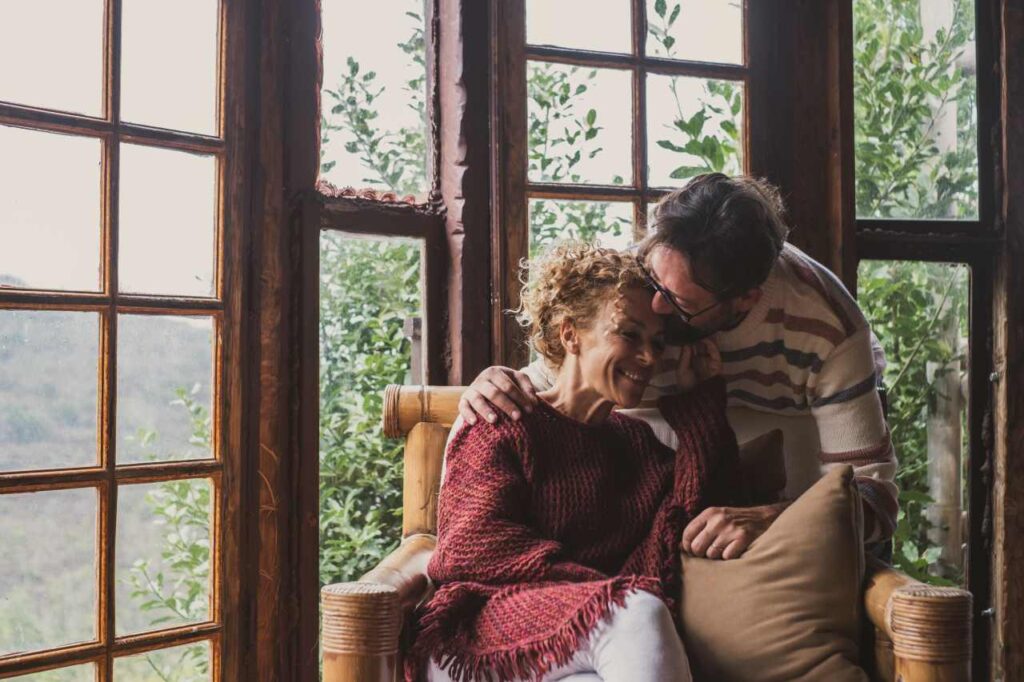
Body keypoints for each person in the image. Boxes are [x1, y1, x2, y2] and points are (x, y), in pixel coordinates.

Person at [459, 173, 898, 557]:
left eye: (677, 302)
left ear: (746, 298)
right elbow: (550, 387)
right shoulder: (631, 285)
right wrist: (491, 383)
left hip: (783, 515)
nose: (654, 306)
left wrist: (774, 521)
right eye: (653, 279)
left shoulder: (828, 327)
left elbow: (874, 500)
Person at [405, 243, 741, 682]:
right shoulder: (504, 419)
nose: (649, 357)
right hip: (473, 638)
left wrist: (703, 403)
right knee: (635, 609)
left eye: (657, 343)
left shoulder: (635, 445)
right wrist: (600, 587)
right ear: (570, 334)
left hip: (573, 643)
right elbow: (472, 549)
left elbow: (698, 507)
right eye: (629, 334)